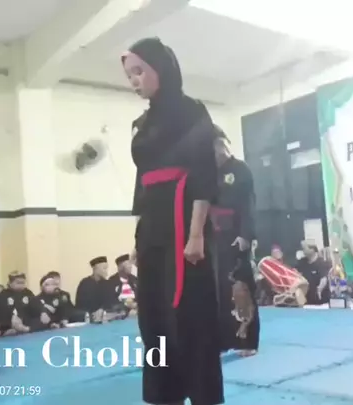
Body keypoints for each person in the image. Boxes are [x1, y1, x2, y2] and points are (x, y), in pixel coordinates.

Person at [123, 37, 223, 405]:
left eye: (139, 71)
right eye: (129, 75)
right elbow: (142, 180)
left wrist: (196, 233)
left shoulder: (191, 111)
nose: (134, 80)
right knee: (153, 316)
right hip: (152, 223)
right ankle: (164, 396)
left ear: (160, 69)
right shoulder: (141, 122)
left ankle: (203, 396)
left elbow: (203, 171)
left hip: (184, 216)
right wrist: (139, 238)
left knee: (189, 315)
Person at [210, 128, 259, 356]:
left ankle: (248, 341)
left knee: (242, 289)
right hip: (214, 238)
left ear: (221, 145)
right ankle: (222, 340)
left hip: (236, 236)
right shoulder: (208, 173)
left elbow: (248, 205)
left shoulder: (240, 170)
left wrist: (245, 235)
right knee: (219, 291)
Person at [76, 256, 117, 322]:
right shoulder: (85, 284)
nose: (106, 271)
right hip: (90, 319)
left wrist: (102, 310)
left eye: (107, 268)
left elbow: (111, 302)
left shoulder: (108, 283)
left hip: (105, 317)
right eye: (104, 268)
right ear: (95, 269)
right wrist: (93, 314)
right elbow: (80, 305)